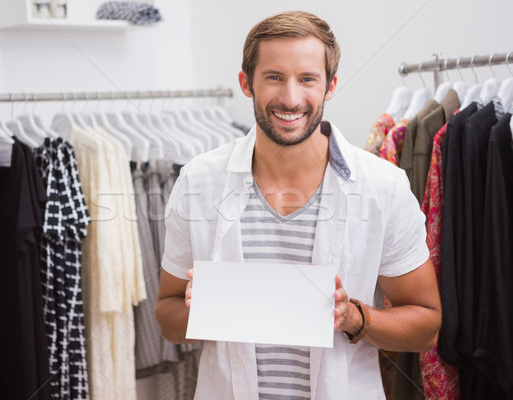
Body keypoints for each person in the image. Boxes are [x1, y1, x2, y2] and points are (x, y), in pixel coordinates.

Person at [155, 10, 441, 399]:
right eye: (274, 77)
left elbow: (427, 325)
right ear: (246, 83)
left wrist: (354, 317)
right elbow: (168, 318)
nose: (291, 98)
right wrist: (202, 309)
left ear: (330, 86)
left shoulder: (383, 187)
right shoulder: (198, 181)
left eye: (307, 79)